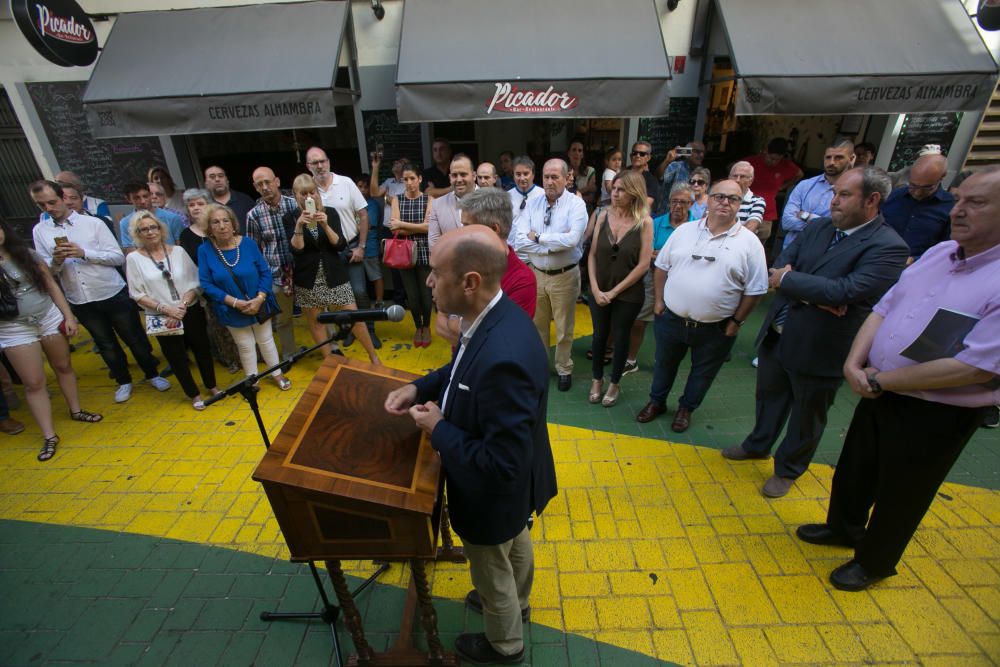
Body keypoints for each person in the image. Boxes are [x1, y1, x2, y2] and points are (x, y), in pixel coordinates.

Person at [796, 166, 1000, 592]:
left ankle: (874, 561)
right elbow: (885, 307)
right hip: (877, 388)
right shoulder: (939, 253)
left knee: (903, 490)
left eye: (975, 203)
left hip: (935, 409)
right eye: (959, 199)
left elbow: (977, 367)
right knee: (856, 468)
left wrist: (883, 381)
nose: (958, 210)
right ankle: (843, 528)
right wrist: (854, 363)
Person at [384, 225, 556, 666]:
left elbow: (502, 463)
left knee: (491, 570)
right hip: (511, 500)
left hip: (489, 496)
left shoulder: (504, 355)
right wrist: (420, 387)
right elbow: (460, 371)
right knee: (514, 546)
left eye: (436, 272)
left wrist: (439, 429)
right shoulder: (494, 317)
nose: (427, 281)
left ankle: (505, 645)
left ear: (470, 282)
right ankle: (518, 605)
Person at [722, 167, 909, 497]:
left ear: (872, 200)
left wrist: (795, 282)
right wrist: (813, 291)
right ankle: (757, 444)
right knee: (769, 397)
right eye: (834, 193)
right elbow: (782, 264)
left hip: (822, 344)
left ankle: (789, 468)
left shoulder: (888, 246)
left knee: (807, 413)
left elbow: (845, 291)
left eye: (844, 195)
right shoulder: (819, 226)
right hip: (779, 332)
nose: (833, 201)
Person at [636, 180, 768, 432]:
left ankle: (686, 408)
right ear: (708, 199)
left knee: (703, 372)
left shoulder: (750, 243)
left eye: (733, 199)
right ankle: (657, 401)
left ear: (740, 204)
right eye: (719, 196)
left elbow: (756, 290)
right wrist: (660, 302)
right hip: (671, 319)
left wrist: (736, 322)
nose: (725, 202)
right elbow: (662, 267)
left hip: (716, 328)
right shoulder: (684, 231)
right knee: (664, 364)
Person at [31, 180, 170, 404]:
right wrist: (55, 261)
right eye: (41, 205)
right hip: (79, 297)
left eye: (52, 202)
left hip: (110, 291)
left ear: (63, 198)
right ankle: (123, 381)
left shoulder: (92, 223)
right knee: (105, 343)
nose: (48, 209)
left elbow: (116, 256)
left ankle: (152, 374)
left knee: (135, 338)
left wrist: (84, 252)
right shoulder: (40, 230)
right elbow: (45, 270)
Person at [0, 215, 100, 462]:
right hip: (14, 328)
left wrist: (68, 316)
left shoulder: (26, 255)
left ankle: (76, 410)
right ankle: (49, 435)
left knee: (63, 365)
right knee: (34, 382)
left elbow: (51, 285)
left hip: (47, 315)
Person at [126, 212, 220, 410]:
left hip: (189, 309)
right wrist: (166, 309)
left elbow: (196, 281)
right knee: (176, 357)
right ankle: (193, 394)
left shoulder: (178, 251)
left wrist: (182, 306)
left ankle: (212, 386)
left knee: (202, 349)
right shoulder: (134, 258)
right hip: (163, 316)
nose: (151, 232)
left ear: (161, 229)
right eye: (145, 229)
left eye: (154, 227)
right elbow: (136, 293)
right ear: (138, 234)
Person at [285, 174, 381, 363]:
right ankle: (329, 360)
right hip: (308, 279)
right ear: (295, 195)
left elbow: (339, 245)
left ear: (317, 192)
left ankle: (373, 357)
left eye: (312, 192)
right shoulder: (290, 218)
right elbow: (297, 249)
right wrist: (298, 225)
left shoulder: (330, 212)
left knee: (353, 317)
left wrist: (325, 224)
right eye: (303, 193)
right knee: (317, 322)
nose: (308, 197)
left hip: (334, 274)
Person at [514, 158, 589, 392]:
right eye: (546, 177)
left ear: (567, 178)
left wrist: (537, 238)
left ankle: (564, 368)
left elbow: (572, 240)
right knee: (538, 326)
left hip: (564, 276)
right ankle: (540, 367)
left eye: (555, 177)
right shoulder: (532, 204)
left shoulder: (576, 206)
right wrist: (553, 241)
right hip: (536, 274)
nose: (549, 182)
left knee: (564, 327)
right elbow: (518, 242)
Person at [198, 204, 291, 391]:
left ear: (233, 224)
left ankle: (277, 374)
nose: (222, 226)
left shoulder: (248, 243)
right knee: (245, 345)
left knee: (266, 340)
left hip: (259, 302)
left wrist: (259, 298)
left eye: (226, 220)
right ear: (209, 228)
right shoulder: (205, 250)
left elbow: (265, 272)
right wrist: (235, 302)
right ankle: (252, 380)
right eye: (216, 222)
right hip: (231, 307)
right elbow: (206, 283)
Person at [587, 171, 653, 407]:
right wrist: (594, 288)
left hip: (628, 293)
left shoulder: (644, 222)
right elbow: (592, 254)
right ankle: (597, 380)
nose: (615, 193)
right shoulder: (603, 216)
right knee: (599, 336)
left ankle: (614, 383)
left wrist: (614, 293)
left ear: (634, 192)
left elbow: (644, 264)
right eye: (614, 188)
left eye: (621, 189)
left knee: (622, 336)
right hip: (599, 288)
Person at [305, 147, 378, 349]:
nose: (320, 166)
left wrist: (362, 247)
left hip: (350, 247)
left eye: (322, 161)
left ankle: (369, 330)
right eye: (314, 163)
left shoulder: (345, 183)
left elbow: (364, 215)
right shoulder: (309, 189)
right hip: (326, 253)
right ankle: (347, 329)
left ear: (328, 161)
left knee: (360, 292)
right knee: (336, 298)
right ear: (308, 167)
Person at [624, 183, 694, 375]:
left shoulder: (697, 225)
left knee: (673, 325)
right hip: (653, 278)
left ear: (691, 204)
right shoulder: (656, 223)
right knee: (639, 321)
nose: (678, 206)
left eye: (683, 202)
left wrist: (661, 255)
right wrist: (672, 257)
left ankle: (664, 361)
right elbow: (646, 253)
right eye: (674, 201)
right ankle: (631, 360)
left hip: (683, 282)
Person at [180, 188, 241, 374]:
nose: (196, 208)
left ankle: (251, 355)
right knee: (219, 326)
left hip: (234, 284)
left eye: (200, 203)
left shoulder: (220, 228)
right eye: (192, 205)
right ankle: (230, 359)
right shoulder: (186, 235)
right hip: (208, 288)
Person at [246, 166, 298, 359]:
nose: (265, 187)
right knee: (283, 319)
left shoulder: (295, 205)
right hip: (277, 275)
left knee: (317, 312)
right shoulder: (254, 215)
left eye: (268, 182)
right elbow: (253, 250)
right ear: (255, 188)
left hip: (302, 270)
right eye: (260, 184)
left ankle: (329, 346)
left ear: (277, 181)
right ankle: (289, 355)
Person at [388, 163, 435, 347]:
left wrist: (403, 224)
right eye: (405, 179)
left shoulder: (429, 199)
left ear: (420, 179)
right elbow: (395, 228)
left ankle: (427, 326)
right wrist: (416, 228)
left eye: (412, 178)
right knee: (412, 295)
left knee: (425, 294)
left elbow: (428, 227)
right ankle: (418, 326)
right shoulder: (397, 200)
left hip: (424, 251)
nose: (408, 182)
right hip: (404, 253)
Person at [781, 137, 855, 249]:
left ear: (851, 158)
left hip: (823, 255)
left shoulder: (854, 191)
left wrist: (807, 216)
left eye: (839, 157)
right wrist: (825, 224)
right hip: (791, 252)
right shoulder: (805, 185)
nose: (831, 162)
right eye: (828, 157)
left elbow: (841, 228)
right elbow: (786, 222)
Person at [881, 154, 954, 261]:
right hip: (881, 260)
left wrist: (916, 260)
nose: (918, 193)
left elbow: (948, 248)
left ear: (942, 177)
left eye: (927, 188)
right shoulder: (894, 196)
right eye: (913, 185)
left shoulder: (950, 207)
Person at [744, 138, 804, 242]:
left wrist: (783, 186)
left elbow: (799, 174)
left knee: (759, 243)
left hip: (767, 212)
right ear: (766, 152)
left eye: (777, 159)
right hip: (745, 208)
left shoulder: (786, 165)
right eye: (771, 158)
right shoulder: (751, 162)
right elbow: (733, 169)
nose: (773, 162)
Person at [428, 154, 477, 248]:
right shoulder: (437, 205)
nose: (458, 180)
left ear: (474, 176)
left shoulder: (491, 201)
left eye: (463, 174)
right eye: (454, 175)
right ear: (450, 178)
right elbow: (434, 245)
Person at [120, 182, 187, 251]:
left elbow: (181, 247)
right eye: (136, 198)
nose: (142, 201)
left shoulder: (172, 218)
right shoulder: (125, 223)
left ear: (150, 195)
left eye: (145, 196)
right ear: (128, 199)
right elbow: (131, 250)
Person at [654, 140, 706, 216]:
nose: (701, 155)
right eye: (697, 152)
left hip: (687, 218)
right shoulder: (676, 166)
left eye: (703, 152)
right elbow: (659, 176)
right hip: (667, 215)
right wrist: (667, 161)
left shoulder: (702, 172)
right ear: (687, 153)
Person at [357, 176, 385, 309]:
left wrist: (351, 226)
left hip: (370, 246)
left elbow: (367, 225)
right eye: (359, 186)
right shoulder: (354, 202)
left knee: (375, 275)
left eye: (365, 187)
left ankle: (379, 301)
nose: (362, 190)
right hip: (356, 246)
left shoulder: (372, 204)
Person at [507, 156, 545, 253]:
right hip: (512, 252)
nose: (522, 178)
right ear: (513, 175)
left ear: (533, 174)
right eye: (518, 174)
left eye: (526, 174)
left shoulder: (543, 195)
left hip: (535, 252)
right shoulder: (506, 197)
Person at [204, 165, 256, 231]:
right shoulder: (205, 205)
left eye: (221, 176)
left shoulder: (245, 200)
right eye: (212, 177)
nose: (217, 179)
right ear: (206, 183)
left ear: (227, 180)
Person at [729, 161, 767, 235]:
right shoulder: (718, 197)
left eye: (742, 177)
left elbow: (750, 227)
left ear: (750, 181)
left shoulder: (757, 201)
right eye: (734, 176)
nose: (737, 180)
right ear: (729, 178)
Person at [627, 141, 660, 210]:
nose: (637, 156)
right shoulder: (622, 173)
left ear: (648, 158)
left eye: (642, 154)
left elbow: (646, 205)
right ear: (630, 156)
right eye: (634, 153)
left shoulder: (651, 180)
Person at [567, 138, 597, 207]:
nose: (576, 153)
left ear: (582, 155)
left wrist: (570, 197)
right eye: (574, 150)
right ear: (568, 153)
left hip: (585, 208)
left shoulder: (590, 171)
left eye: (580, 150)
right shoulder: (563, 170)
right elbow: (561, 195)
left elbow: (591, 198)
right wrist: (588, 188)